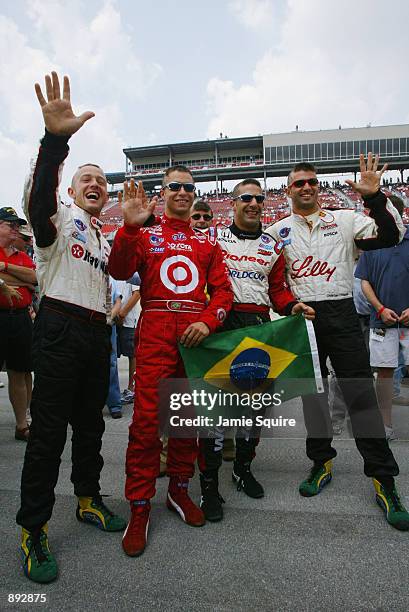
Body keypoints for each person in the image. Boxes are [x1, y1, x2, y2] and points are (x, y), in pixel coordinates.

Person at [16, 72, 126, 585]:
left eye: (102, 179)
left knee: (92, 426)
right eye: (87, 177)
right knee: (48, 436)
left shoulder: (103, 236)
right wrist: (55, 141)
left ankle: (86, 498)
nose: (95, 183)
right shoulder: (55, 218)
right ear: (71, 186)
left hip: (94, 332)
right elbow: (39, 200)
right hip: (58, 325)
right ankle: (33, 527)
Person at [266, 157, 409, 531]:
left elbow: (392, 235)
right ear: (288, 189)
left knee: (359, 395)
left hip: (343, 312)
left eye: (311, 181)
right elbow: (271, 283)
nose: (307, 187)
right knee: (313, 397)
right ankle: (320, 461)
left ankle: (384, 480)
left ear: (318, 186)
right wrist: (285, 305)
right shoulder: (276, 231)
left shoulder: (344, 219)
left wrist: (376, 197)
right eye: (298, 183)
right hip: (302, 317)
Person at [109, 167, 233, 557]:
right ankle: (140, 506)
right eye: (175, 187)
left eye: (189, 188)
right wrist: (128, 228)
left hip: (193, 339)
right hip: (156, 333)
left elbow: (224, 294)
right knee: (147, 423)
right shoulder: (144, 234)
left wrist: (207, 320)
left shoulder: (208, 243)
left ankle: (178, 491)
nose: (182, 192)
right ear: (162, 193)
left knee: (185, 422)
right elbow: (117, 270)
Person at [197, 178, 315, 522]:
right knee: (216, 414)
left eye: (259, 199)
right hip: (221, 328)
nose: (253, 203)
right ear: (232, 203)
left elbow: (278, 291)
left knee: (253, 411)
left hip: (259, 327)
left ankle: (243, 469)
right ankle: (208, 486)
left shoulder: (272, 246)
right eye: (246, 198)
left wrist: (292, 306)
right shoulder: (213, 238)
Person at [355, 195, 409, 440]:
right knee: (385, 374)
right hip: (382, 322)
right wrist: (379, 308)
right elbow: (365, 281)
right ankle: (385, 426)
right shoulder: (372, 243)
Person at [0, 207, 36, 442]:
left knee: (22, 371)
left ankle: (23, 423)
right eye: (9, 224)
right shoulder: (23, 259)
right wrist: (17, 279)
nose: (15, 228)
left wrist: (4, 269)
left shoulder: (21, 255)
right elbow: (27, 280)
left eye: (16, 224)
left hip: (21, 318)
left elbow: (35, 280)